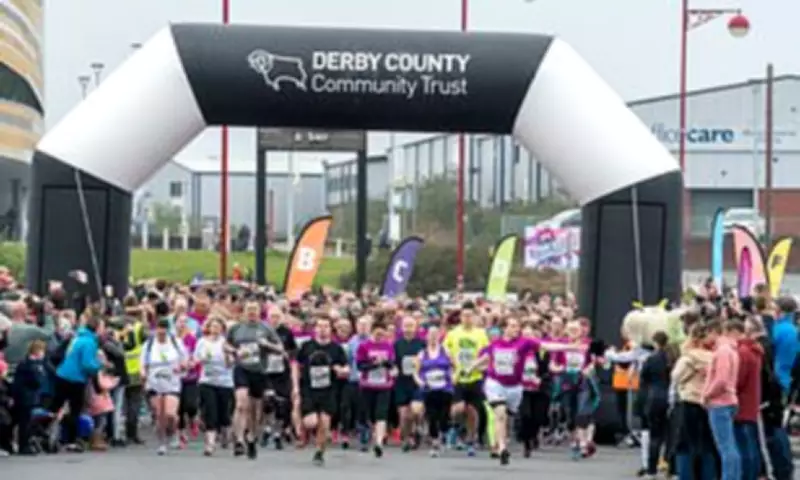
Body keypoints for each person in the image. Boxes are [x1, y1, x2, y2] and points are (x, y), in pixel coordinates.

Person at [467, 315, 538, 465]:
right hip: (495, 383)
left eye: (517, 326)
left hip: (515, 387)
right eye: (512, 326)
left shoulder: (524, 343)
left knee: (508, 416)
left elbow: (548, 345)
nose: (516, 329)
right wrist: (471, 367)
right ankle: (502, 448)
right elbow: (485, 358)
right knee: (500, 414)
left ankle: (503, 440)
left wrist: (572, 346)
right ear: (504, 328)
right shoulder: (495, 344)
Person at [226, 300, 283, 459]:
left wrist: (267, 345)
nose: (251, 312)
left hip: (259, 371)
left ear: (259, 312)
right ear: (244, 311)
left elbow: (280, 349)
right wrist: (235, 351)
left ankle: (251, 437)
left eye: (254, 310)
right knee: (241, 403)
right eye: (248, 309)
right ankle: (238, 441)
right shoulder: (236, 328)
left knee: (254, 410)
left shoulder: (266, 328)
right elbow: (226, 345)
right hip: (241, 369)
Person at [293, 315, 348, 466]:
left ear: (331, 330)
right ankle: (304, 432)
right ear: (315, 329)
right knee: (311, 422)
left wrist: (340, 370)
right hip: (309, 389)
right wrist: (296, 386)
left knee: (324, 423)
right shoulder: (307, 346)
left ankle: (319, 452)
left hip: (329, 390)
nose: (323, 329)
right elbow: (296, 365)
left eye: (326, 326)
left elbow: (346, 368)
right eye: (320, 326)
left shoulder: (336, 348)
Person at [51, 315, 104, 453]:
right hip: (75, 378)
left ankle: (45, 432)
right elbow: (87, 364)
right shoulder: (89, 342)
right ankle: (71, 440)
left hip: (62, 374)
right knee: (75, 409)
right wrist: (100, 365)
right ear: (97, 328)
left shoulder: (78, 338)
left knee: (56, 406)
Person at [443, 301, 489, 455]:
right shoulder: (454, 333)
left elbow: (486, 353)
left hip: (475, 376)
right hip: (458, 376)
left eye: (470, 316)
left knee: (473, 411)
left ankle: (471, 439)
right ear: (460, 317)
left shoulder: (480, 334)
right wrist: (451, 360)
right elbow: (445, 348)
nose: (467, 318)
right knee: (458, 408)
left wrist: (480, 366)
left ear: (474, 317)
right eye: (464, 315)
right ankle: (454, 427)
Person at [672, 322, 716, 480]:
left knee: (684, 444)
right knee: (706, 445)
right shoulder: (713, 357)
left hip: (690, 400)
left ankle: (686, 475)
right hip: (709, 402)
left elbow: (676, 376)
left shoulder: (689, 357)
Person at [140, 316, 187, 455]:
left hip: (172, 382)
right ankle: (162, 443)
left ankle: (172, 431)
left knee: (170, 414)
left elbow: (186, 361)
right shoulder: (149, 345)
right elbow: (143, 364)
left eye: (164, 329)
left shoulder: (176, 343)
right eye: (159, 329)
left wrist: (182, 367)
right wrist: (143, 374)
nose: (162, 332)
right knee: (160, 414)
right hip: (154, 382)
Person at [702, 319, 742, 480]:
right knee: (730, 446)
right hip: (729, 400)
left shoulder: (722, 351)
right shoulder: (732, 350)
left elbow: (721, 380)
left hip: (719, 402)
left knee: (726, 447)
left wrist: (706, 395)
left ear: (714, 331)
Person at [355, 319, 396, 457]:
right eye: (377, 334)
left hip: (384, 385)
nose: (380, 337)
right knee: (370, 414)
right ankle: (371, 433)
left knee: (381, 414)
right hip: (368, 385)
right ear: (372, 332)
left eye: (382, 334)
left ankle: (379, 443)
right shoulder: (364, 346)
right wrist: (375, 364)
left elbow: (392, 364)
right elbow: (360, 366)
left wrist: (386, 363)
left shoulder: (388, 346)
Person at [195, 316, 234, 456]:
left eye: (218, 327)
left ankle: (225, 435)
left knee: (224, 413)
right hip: (207, 381)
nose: (215, 329)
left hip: (224, 382)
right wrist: (199, 360)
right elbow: (196, 359)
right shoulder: (202, 342)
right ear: (208, 328)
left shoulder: (226, 343)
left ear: (222, 329)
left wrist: (227, 354)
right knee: (210, 412)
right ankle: (210, 444)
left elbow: (230, 364)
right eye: (213, 326)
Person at [413, 324, 453, 457]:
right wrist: (420, 382)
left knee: (444, 415)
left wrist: (453, 377)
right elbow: (416, 372)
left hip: (445, 388)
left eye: (436, 334)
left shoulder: (445, 350)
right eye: (431, 334)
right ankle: (435, 441)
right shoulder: (421, 353)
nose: (433, 337)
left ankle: (443, 434)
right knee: (432, 416)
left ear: (439, 336)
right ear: (426, 337)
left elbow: (454, 366)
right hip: (429, 389)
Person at [638, 331, 672, 479]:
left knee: (655, 436)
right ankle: (670, 468)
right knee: (671, 435)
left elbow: (643, 377)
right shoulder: (672, 358)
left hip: (654, 397)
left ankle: (651, 470)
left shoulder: (650, 359)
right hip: (670, 396)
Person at [733, 317, 763, 480]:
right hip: (751, 402)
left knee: (743, 446)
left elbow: (738, 380)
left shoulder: (743, 353)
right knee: (751, 444)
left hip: (741, 404)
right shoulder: (755, 351)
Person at [393, 315, 425, 451]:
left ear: (416, 327)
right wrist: (393, 369)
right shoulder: (396, 344)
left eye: (411, 326)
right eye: (406, 326)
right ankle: (406, 439)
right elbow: (392, 361)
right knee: (404, 414)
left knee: (416, 411)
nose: (408, 329)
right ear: (401, 327)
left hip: (417, 382)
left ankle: (418, 428)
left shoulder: (422, 344)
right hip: (401, 381)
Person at [12, 339, 47, 455]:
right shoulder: (30, 365)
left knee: (25, 421)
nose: (43, 353)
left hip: (27, 396)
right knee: (24, 422)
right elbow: (36, 381)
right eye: (42, 350)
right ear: (37, 351)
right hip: (25, 397)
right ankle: (23, 445)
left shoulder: (28, 363)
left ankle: (24, 444)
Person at [771, 297, 799, 396]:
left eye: (773, 309)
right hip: (788, 379)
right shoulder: (795, 330)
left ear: (779, 311)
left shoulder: (776, 329)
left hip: (776, 378)